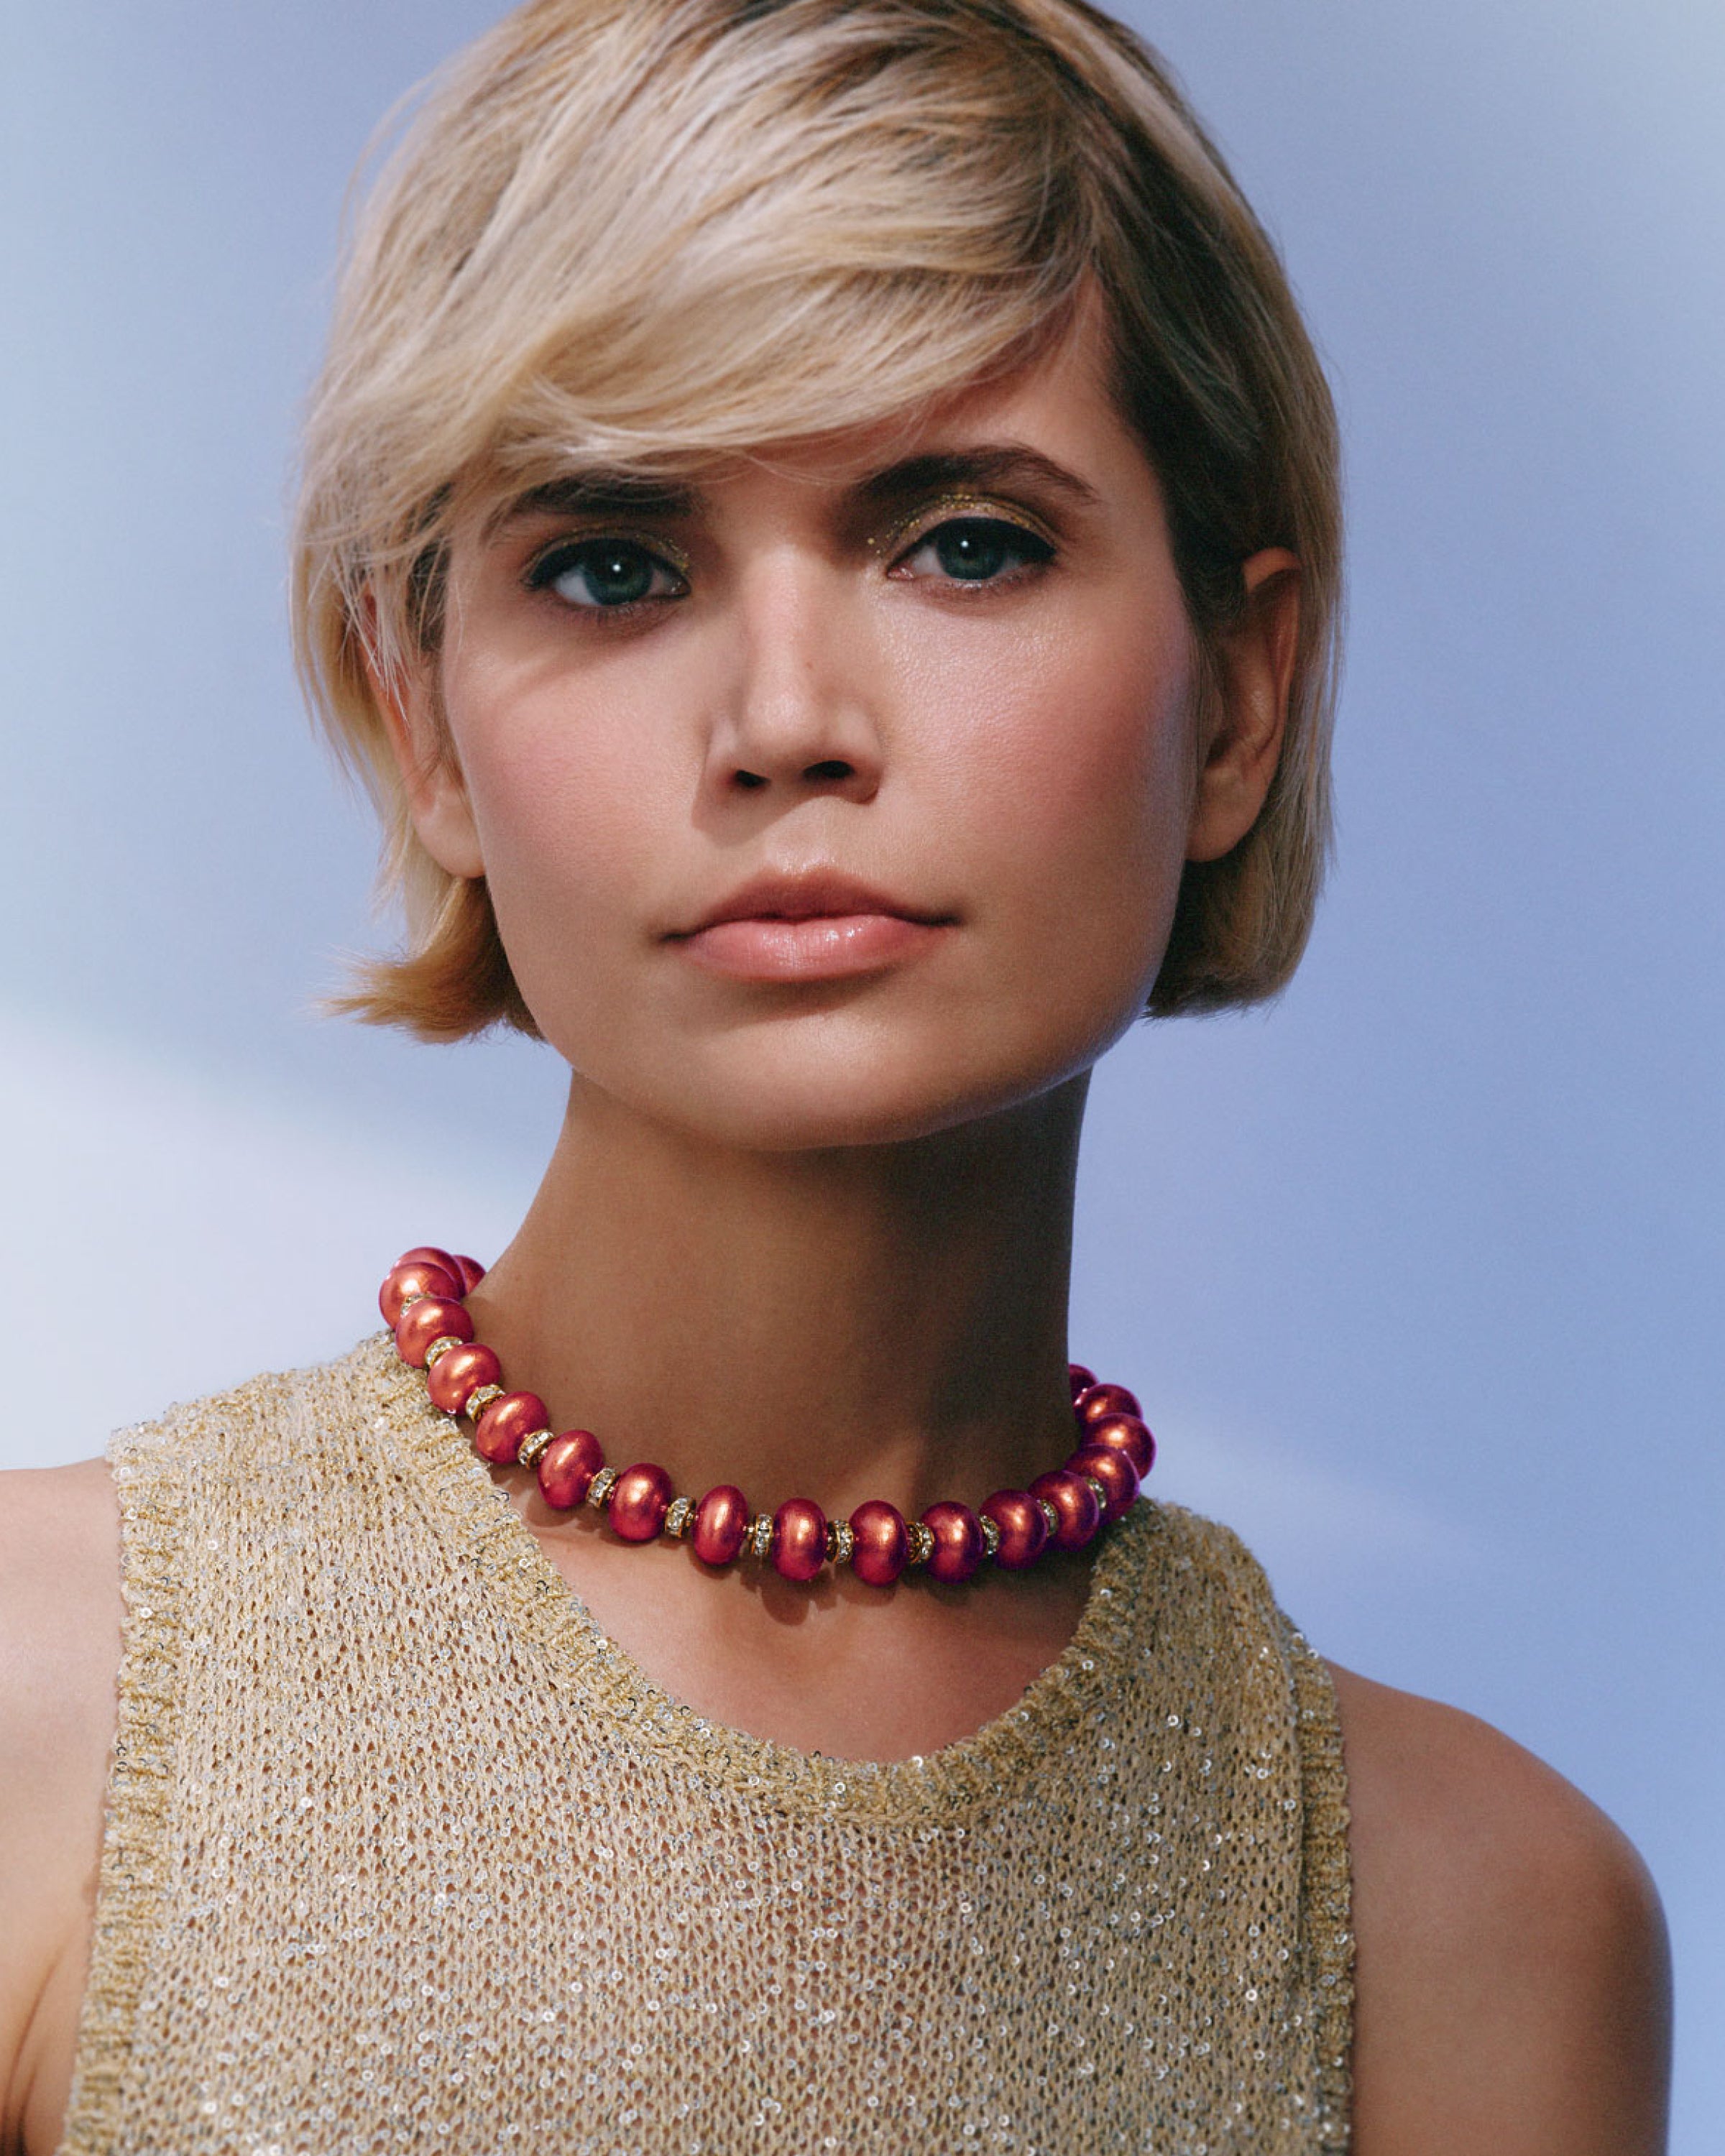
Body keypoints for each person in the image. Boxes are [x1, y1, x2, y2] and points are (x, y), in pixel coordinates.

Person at [0, 1, 1670, 2150]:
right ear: (420, 722)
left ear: (1241, 699)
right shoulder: (54, 1710)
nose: (786, 718)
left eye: (966, 542)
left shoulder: (1475, 1929)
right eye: (614, 566)